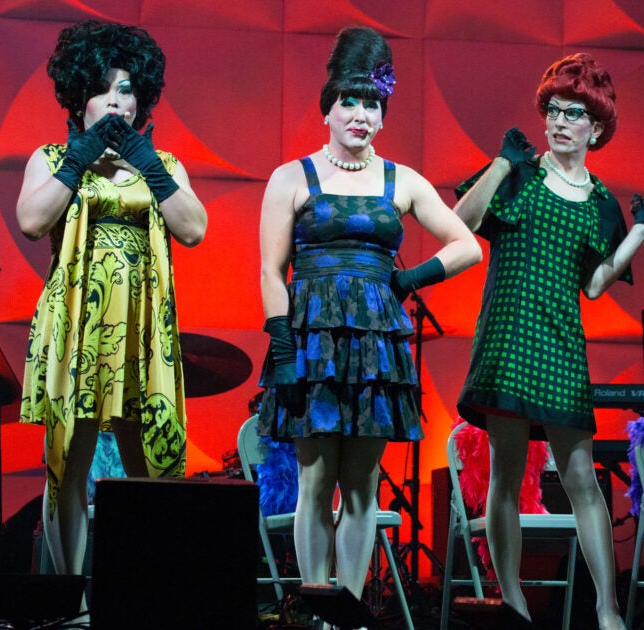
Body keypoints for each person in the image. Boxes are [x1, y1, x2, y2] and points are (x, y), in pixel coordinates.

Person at [256, 26, 480, 608]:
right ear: (327, 109)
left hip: (376, 351)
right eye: (349, 102)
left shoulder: (402, 180)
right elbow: (271, 272)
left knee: (361, 487)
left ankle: (350, 611)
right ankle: (316, 607)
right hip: (309, 346)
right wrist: (283, 350)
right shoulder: (290, 177)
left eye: (372, 104)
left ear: (383, 115)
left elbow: (467, 246)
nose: (361, 115)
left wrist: (406, 280)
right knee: (314, 482)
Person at [453, 52, 644, 629]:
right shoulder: (520, 175)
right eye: (553, 110)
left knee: (581, 477)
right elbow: (461, 221)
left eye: (573, 113)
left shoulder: (600, 203)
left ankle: (607, 611)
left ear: (596, 128)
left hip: (562, 343)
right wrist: (501, 163)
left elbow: (593, 285)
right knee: (506, 472)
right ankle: (512, 601)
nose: (559, 122)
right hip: (509, 338)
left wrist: (638, 233)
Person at [17, 20, 207, 577]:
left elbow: (194, 229)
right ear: (80, 98)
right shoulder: (51, 158)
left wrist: (146, 164)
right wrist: (78, 159)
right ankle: (71, 605)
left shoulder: (164, 165)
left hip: (142, 330)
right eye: (103, 90)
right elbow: (32, 221)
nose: (116, 101)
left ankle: (145, 599)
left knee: (152, 471)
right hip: (77, 326)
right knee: (67, 468)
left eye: (126, 90)